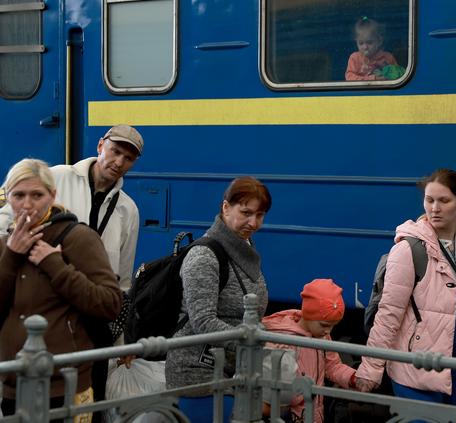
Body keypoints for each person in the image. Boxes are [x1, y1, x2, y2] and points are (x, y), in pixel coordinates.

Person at [355, 168, 456, 414]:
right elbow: (388, 314)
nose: (434, 208)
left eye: (443, 200)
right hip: (417, 366)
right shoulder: (408, 249)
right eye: (429, 200)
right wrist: (371, 368)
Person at [0, 158, 122, 419]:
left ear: (52, 195)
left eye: (37, 195)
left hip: (66, 383)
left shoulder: (79, 238)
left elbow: (109, 304)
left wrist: (54, 264)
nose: (27, 204)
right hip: (14, 382)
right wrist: (10, 256)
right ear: (7, 197)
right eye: (18, 195)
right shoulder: (3, 246)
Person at [165, 176, 272, 423]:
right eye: (245, 212)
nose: (253, 222)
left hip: (233, 370)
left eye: (260, 215)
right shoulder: (204, 255)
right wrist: (250, 341)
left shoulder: (244, 247)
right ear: (225, 207)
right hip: (197, 372)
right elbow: (203, 321)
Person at [0, 124, 144, 291]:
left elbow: (124, 274)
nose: (119, 162)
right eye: (115, 151)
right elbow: (5, 217)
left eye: (128, 158)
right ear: (100, 146)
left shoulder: (129, 209)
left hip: (90, 298)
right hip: (45, 290)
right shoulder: (56, 176)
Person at [261, 278, 357, 423]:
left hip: (313, 413)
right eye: (324, 325)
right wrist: (305, 393)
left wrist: (352, 378)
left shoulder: (322, 336)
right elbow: (277, 389)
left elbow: (332, 366)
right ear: (308, 314)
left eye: (333, 326)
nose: (328, 331)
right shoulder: (285, 341)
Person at [345, 17, 401, 81]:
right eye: (361, 43)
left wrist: (386, 68)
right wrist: (372, 78)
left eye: (369, 42)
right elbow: (349, 78)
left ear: (379, 41)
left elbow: (398, 76)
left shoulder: (387, 57)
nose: (365, 47)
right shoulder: (355, 58)